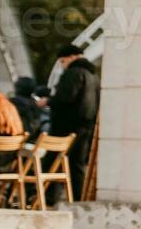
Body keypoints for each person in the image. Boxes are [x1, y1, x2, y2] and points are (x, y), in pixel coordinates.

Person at [43, 43, 100, 204]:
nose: (62, 65)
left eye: (63, 61)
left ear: (72, 57)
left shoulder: (73, 73)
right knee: (77, 165)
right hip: (86, 126)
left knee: (52, 162)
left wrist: (48, 101)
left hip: (65, 127)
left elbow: (64, 98)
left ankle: (48, 198)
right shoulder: (93, 75)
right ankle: (78, 199)